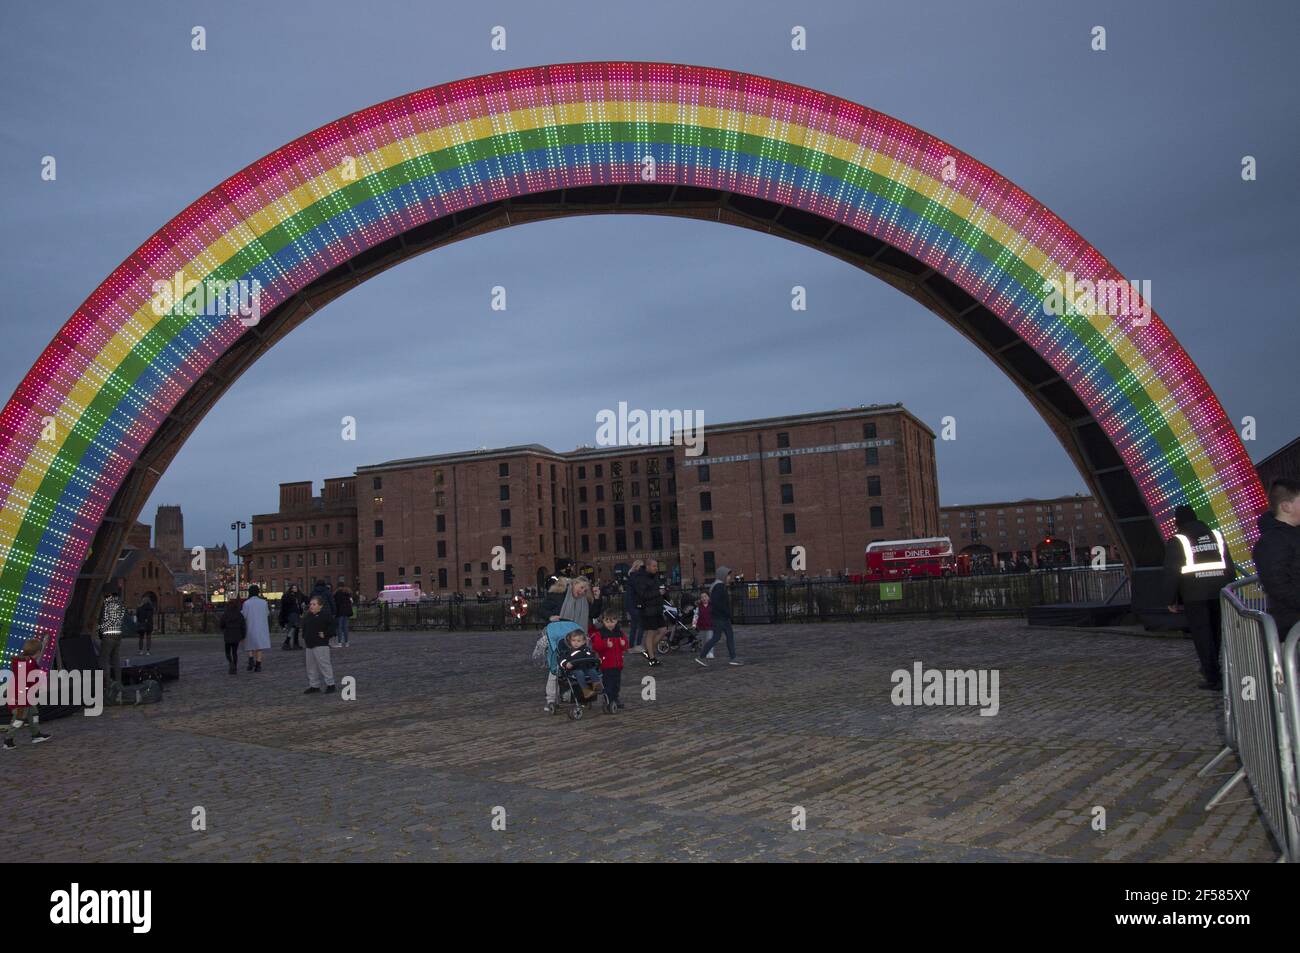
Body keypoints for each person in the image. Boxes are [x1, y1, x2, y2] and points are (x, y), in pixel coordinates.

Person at [1162, 504, 1236, 690]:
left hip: (1194, 594)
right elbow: (1229, 565)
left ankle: (1211, 675)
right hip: (1219, 590)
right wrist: (1231, 588)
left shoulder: (1178, 540)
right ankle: (1213, 667)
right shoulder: (1215, 535)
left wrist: (1171, 599)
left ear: (1178, 521)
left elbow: (1172, 571)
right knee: (1215, 632)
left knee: (1202, 635)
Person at [1253, 478, 1300, 640]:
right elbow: (1278, 585)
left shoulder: (1292, 535)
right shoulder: (1271, 542)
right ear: (1286, 506)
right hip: (1292, 624)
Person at [4, 637, 52, 749]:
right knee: (18, 719)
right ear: (36, 652)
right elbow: (36, 664)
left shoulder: (24, 661)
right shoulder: (28, 664)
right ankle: (8, 740)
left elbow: (36, 659)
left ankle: (36, 735)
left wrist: (43, 645)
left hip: (24, 696)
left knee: (33, 713)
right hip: (20, 697)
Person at [697, 566, 743, 666]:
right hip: (721, 617)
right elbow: (719, 603)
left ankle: (702, 656)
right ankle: (733, 658)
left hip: (718, 616)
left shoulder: (716, 585)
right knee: (726, 637)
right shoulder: (719, 586)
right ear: (723, 576)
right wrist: (727, 613)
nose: (729, 577)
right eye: (728, 575)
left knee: (717, 637)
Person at [590, 609, 627, 713]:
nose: (610, 624)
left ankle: (615, 698)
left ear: (616, 621)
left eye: (612, 621)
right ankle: (609, 700)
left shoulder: (619, 633)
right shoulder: (600, 634)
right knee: (608, 683)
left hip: (618, 663)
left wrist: (623, 644)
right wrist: (605, 645)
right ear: (603, 621)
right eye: (607, 621)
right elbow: (596, 647)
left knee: (616, 683)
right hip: (606, 664)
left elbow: (625, 646)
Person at [630, 558, 664, 667]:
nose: (656, 568)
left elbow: (657, 590)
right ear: (648, 566)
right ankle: (652, 657)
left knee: (663, 630)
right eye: (654, 566)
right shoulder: (641, 578)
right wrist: (657, 592)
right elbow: (643, 594)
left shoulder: (654, 576)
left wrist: (663, 594)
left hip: (657, 608)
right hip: (647, 609)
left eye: (656, 566)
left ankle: (649, 651)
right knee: (651, 632)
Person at [301, 595, 337, 694]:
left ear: (320, 606)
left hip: (321, 644)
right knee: (311, 667)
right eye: (311, 604)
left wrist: (325, 634)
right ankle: (314, 685)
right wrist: (305, 636)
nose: (311, 606)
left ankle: (330, 684)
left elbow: (333, 627)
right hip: (309, 645)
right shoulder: (308, 616)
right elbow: (304, 627)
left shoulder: (325, 615)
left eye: (314, 604)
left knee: (324, 665)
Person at [554, 628, 603, 700]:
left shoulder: (587, 650)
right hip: (574, 670)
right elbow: (561, 660)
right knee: (579, 673)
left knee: (592, 670)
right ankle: (585, 690)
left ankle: (597, 684)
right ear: (570, 641)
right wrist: (566, 664)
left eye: (578, 641)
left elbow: (592, 657)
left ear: (583, 642)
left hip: (586, 668)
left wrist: (596, 660)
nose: (575, 643)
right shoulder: (568, 652)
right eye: (573, 640)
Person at [96, 584, 125, 690]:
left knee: (104, 660)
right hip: (118, 634)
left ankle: (107, 685)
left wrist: (100, 629)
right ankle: (119, 682)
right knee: (116, 659)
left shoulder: (107, 603)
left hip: (108, 634)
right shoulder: (120, 602)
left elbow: (102, 619)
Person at [241, 584, 271, 672]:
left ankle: (251, 658)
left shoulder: (246, 603)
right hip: (261, 626)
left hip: (250, 625)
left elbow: (244, 615)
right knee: (259, 645)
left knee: (249, 643)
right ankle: (258, 664)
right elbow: (267, 613)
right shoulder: (264, 602)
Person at [220, 599, 245, 675]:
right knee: (234, 652)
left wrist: (223, 628)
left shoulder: (225, 614)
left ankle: (231, 663)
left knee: (227, 652)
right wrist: (243, 635)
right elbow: (243, 625)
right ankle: (235, 667)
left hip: (228, 634)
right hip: (236, 635)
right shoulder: (239, 614)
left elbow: (221, 624)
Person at [280, 584, 303, 650]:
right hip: (292, 614)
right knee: (294, 628)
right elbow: (285, 606)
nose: (295, 589)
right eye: (293, 588)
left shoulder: (299, 595)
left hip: (296, 614)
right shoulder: (288, 596)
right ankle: (288, 643)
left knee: (295, 628)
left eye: (296, 588)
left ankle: (290, 643)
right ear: (291, 589)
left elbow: (305, 599)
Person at [693, 591, 715, 659]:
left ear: (708, 597)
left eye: (705, 596)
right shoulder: (699, 607)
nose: (704, 598)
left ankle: (710, 652)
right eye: (702, 597)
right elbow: (696, 616)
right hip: (701, 626)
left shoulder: (712, 606)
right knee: (703, 640)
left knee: (709, 639)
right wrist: (694, 624)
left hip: (710, 626)